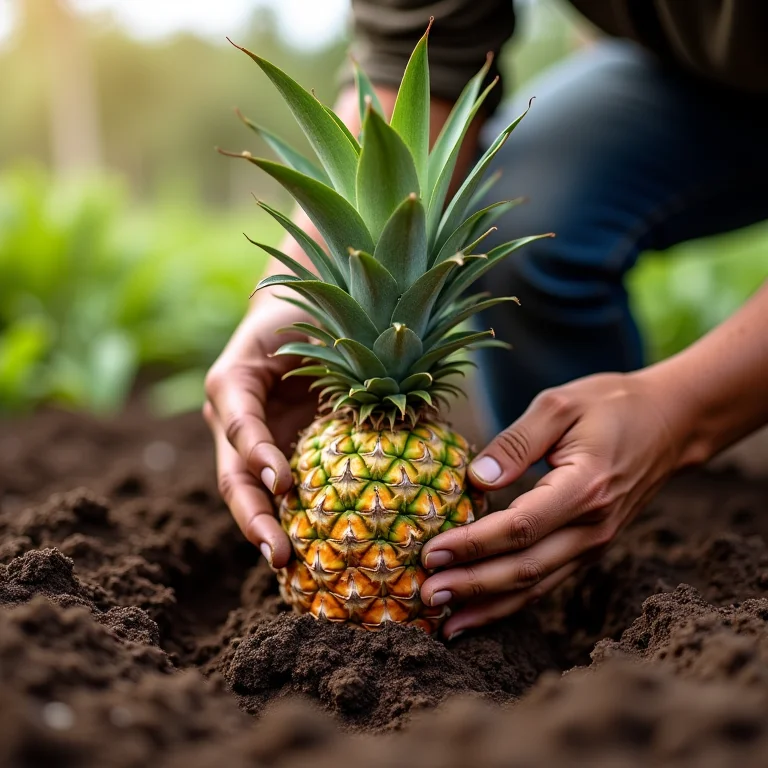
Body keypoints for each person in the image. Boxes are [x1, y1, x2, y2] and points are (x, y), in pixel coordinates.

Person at [204, 0, 768, 639]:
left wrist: (681, 410)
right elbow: (416, 71)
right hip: (690, 83)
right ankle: (562, 516)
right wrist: (287, 297)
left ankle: (619, 512)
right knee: (520, 212)